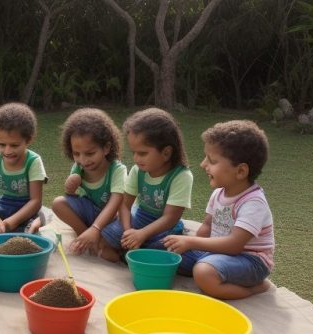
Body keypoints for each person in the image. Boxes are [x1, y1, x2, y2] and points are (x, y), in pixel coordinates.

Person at [163, 120, 275, 299]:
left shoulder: (253, 203)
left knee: (203, 272)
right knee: (173, 256)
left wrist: (191, 242)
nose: (203, 164)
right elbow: (207, 226)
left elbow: (234, 245)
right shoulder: (219, 193)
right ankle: (208, 267)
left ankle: (255, 288)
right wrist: (187, 245)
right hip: (219, 253)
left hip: (251, 260)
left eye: (212, 160)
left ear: (240, 171)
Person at [99, 108, 192, 262]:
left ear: (166, 153)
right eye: (133, 152)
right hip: (140, 217)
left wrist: (142, 234)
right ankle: (135, 252)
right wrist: (129, 231)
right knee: (107, 236)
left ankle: (134, 253)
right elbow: (125, 205)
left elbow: (170, 217)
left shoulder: (181, 176)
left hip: (164, 226)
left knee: (166, 248)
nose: (136, 159)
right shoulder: (138, 170)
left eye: (142, 153)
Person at [31, 108, 127, 255]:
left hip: (110, 217)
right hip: (88, 211)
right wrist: (70, 188)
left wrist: (96, 228)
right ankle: (84, 235)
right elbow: (71, 196)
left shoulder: (117, 170)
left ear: (106, 148)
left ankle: (96, 238)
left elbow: (116, 203)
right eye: (76, 154)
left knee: (112, 245)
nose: (83, 160)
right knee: (58, 203)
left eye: (90, 153)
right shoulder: (78, 167)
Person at [0, 103, 46, 239]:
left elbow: (35, 201)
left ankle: (38, 221)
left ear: (28, 140)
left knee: (31, 236)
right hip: (3, 206)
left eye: (14, 145)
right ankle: (21, 230)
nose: (7, 151)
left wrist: (10, 223)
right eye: (2, 145)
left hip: (27, 208)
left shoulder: (33, 161)